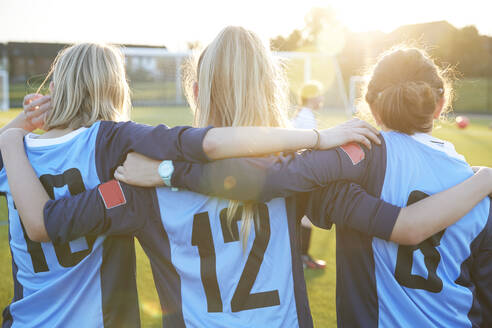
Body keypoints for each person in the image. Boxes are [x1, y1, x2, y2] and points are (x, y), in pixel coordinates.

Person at [3, 35, 492, 328]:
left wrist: (15, 140)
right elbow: (268, 180)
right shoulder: (303, 169)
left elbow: (50, 222)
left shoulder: (133, 185)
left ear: (193, 90)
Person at [291, 80, 326, 269]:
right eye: (319, 94)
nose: (322, 97)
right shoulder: (306, 118)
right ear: (312, 97)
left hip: (298, 170)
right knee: (305, 218)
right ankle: (302, 257)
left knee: (303, 217)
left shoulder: (304, 115)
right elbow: (309, 147)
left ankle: (302, 256)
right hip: (301, 172)